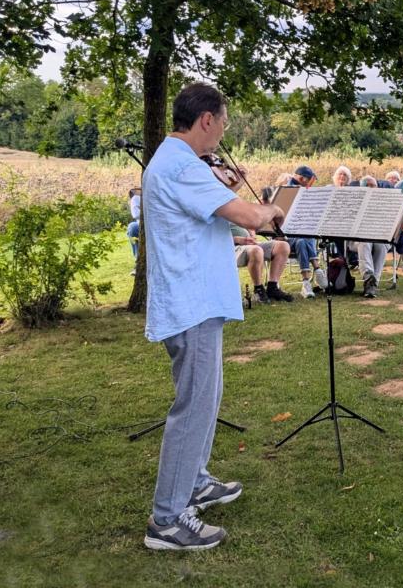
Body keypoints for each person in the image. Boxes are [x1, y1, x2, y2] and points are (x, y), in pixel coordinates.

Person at [142, 83, 284, 551]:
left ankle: (195, 482)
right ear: (206, 119)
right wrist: (276, 207)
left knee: (208, 397)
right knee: (193, 407)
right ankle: (166, 519)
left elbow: (216, 216)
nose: (223, 132)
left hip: (198, 300)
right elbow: (247, 214)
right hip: (191, 302)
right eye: (223, 123)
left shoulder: (178, 162)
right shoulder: (182, 165)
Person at [284, 165, 327, 298]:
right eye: (309, 180)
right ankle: (318, 268)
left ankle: (306, 283)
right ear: (302, 179)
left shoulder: (303, 190)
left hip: (302, 238)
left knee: (302, 240)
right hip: (287, 237)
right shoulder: (289, 190)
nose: (310, 184)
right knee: (304, 236)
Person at [232, 226, 293, 303]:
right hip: (230, 246)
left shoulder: (238, 214)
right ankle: (258, 289)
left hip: (248, 244)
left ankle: (272, 287)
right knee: (257, 250)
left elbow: (250, 225)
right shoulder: (218, 214)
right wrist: (237, 240)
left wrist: (252, 235)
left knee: (283, 246)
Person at [127, 187, 142, 259]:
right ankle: (138, 259)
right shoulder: (136, 198)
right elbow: (136, 214)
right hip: (142, 224)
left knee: (132, 227)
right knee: (132, 227)